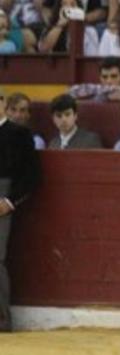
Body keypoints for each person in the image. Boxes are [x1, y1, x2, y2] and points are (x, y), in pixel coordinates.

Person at [0, 86, 42, 331]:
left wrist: (9, 201)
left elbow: (32, 176)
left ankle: (2, 319)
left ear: (3, 103)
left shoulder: (18, 133)